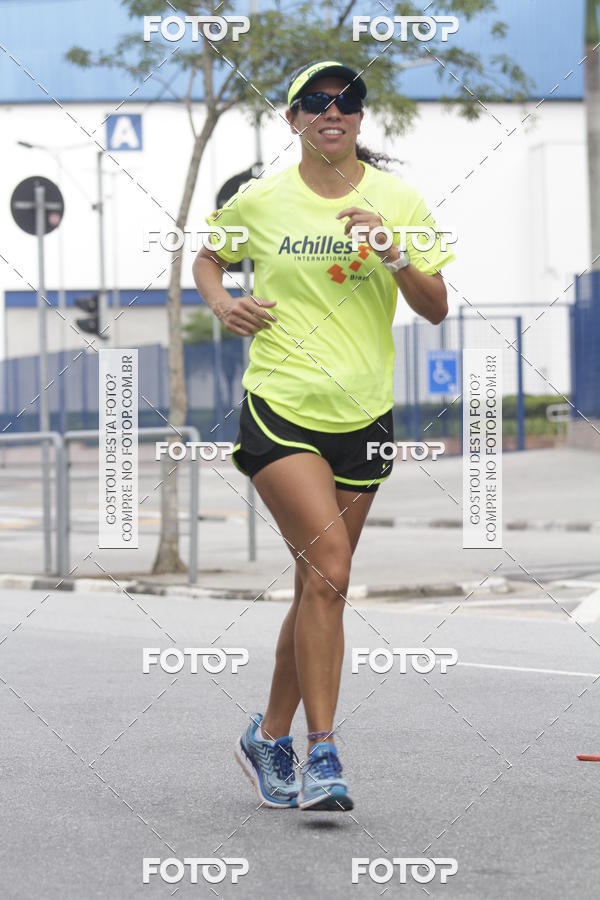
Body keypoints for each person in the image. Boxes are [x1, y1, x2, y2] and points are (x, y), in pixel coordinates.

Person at [192, 59, 455, 811]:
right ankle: (323, 753)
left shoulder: (398, 200)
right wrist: (224, 303)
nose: (332, 111)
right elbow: (208, 257)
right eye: (316, 101)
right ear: (294, 119)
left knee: (319, 584)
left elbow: (435, 306)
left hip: (364, 415)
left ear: (361, 117)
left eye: (348, 100)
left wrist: (394, 251)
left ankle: (266, 735)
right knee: (332, 567)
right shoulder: (262, 200)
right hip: (281, 405)